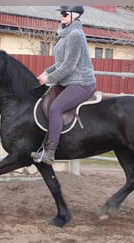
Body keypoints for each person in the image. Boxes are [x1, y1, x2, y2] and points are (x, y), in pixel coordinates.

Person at [31, 6, 96, 165]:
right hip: (67, 81)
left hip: (81, 82)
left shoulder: (75, 35)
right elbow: (60, 63)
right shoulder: (64, 34)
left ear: (76, 15)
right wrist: (46, 73)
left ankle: (50, 152)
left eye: (65, 13)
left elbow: (69, 66)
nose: (62, 15)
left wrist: (49, 79)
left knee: (56, 108)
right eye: (61, 13)